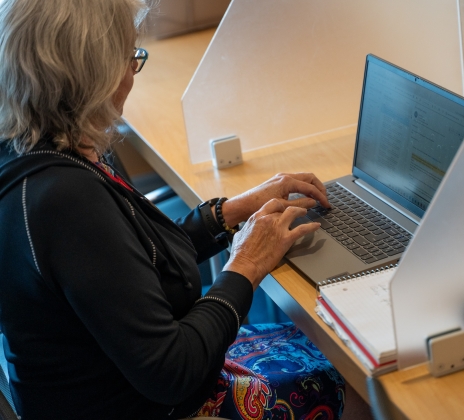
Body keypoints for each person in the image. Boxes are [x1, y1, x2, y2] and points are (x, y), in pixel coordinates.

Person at [0, 0, 346, 419]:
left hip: (116, 382)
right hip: (151, 403)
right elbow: (174, 373)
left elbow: (128, 263)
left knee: (320, 344)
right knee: (345, 375)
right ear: (94, 75)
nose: (132, 72)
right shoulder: (66, 199)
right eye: (129, 59)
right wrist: (247, 264)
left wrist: (228, 212)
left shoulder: (41, 149)